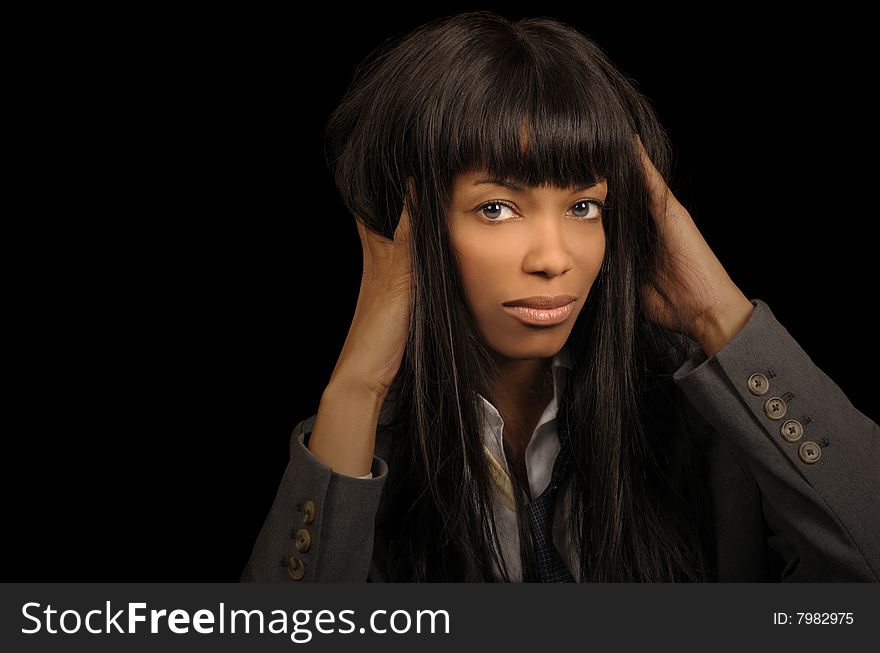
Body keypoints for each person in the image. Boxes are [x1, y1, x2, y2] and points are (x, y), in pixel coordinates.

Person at [240, 11, 879, 582]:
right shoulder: (355, 461)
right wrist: (356, 386)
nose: (553, 259)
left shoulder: (714, 431)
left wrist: (717, 311)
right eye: (497, 207)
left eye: (583, 205)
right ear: (410, 228)